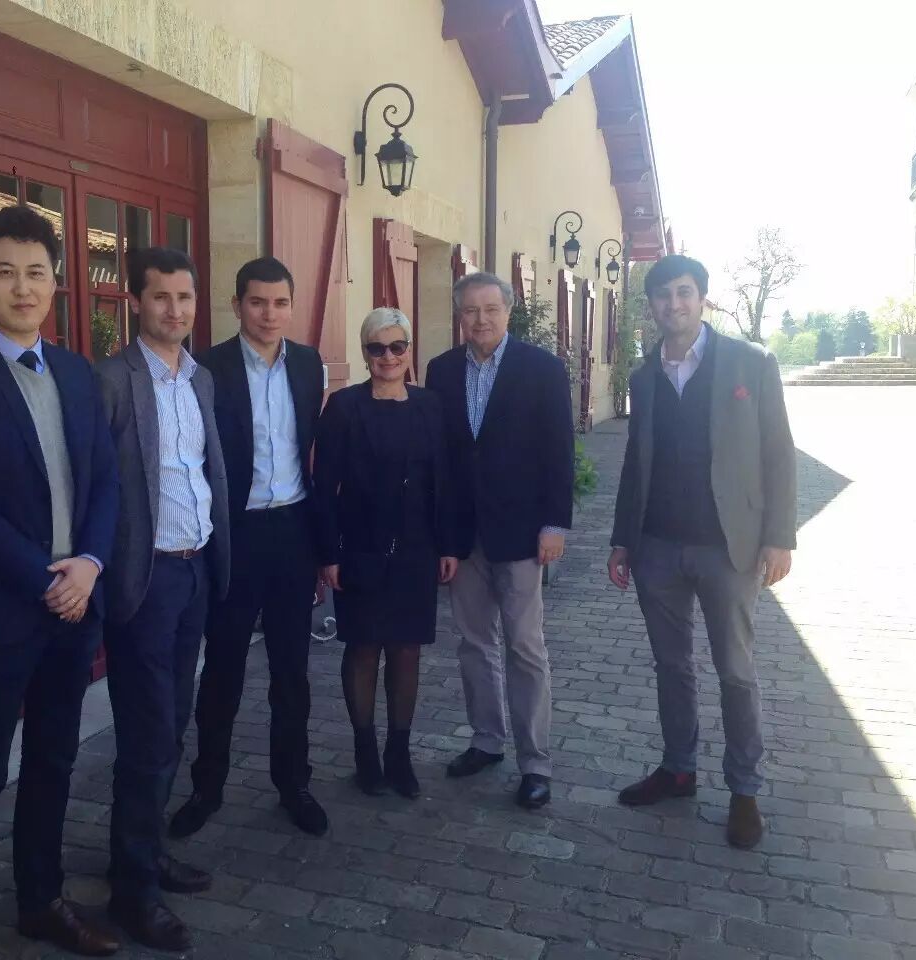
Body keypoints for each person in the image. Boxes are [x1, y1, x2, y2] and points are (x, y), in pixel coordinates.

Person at [0, 206, 121, 959]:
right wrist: (46, 578)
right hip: (0, 611)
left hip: (75, 606)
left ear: (56, 280)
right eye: (5, 271)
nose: (22, 287)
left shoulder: (76, 371)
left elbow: (104, 481)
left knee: (54, 760)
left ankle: (41, 900)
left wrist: (90, 563)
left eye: (36, 272)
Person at [608, 253, 796, 849]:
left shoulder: (749, 363)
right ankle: (679, 769)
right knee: (671, 667)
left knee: (735, 672)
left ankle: (744, 791)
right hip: (658, 547)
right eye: (663, 296)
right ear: (652, 306)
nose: (674, 304)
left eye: (684, 293)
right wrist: (622, 539)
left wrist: (779, 536)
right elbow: (635, 462)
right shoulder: (644, 376)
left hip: (729, 549)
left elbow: (779, 452)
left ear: (703, 298)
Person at [95, 247, 229, 952]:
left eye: (185, 297)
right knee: (147, 736)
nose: (175, 310)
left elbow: (203, 471)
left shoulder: (200, 378)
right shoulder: (111, 381)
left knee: (173, 723)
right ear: (136, 303)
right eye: (161, 297)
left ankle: (143, 851)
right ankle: (133, 893)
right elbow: (96, 484)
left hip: (195, 570)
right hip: (144, 581)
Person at [169, 257, 327, 839]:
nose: (269, 314)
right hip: (234, 534)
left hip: (293, 532)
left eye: (280, 302)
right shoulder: (207, 369)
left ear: (291, 306)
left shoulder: (308, 364)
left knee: (292, 670)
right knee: (224, 669)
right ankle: (206, 788)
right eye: (257, 302)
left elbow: (312, 449)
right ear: (236, 305)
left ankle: (294, 784)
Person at [425, 272, 574, 811]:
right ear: (459, 315)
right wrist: (440, 534)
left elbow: (559, 450)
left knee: (525, 647)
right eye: (470, 310)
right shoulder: (441, 370)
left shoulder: (542, 369)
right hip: (464, 535)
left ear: (508, 311)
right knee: (473, 643)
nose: (480, 319)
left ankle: (536, 763)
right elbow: (441, 457)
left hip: (521, 532)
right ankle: (486, 740)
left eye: (490, 309)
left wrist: (554, 523)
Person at [314, 308, 459, 797]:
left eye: (398, 346)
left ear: (409, 350)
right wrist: (329, 552)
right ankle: (365, 752)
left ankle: (399, 754)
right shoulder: (343, 407)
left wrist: (448, 544)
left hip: (417, 549)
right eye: (377, 348)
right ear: (364, 353)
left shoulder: (430, 406)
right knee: (362, 648)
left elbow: (444, 480)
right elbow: (324, 484)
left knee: (405, 649)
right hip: (360, 547)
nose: (389, 356)